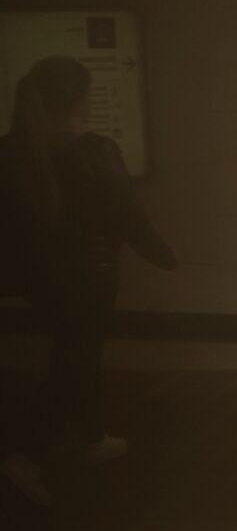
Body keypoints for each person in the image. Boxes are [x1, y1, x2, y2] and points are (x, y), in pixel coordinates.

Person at [0, 57, 177, 463]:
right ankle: (40, 445)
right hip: (89, 271)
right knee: (80, 355)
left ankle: (73, 435)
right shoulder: (95, 150)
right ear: (78, 100)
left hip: (35, 274)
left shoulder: (11, 150)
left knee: (67, 350)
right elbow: (127, 212)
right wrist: (164, 256)